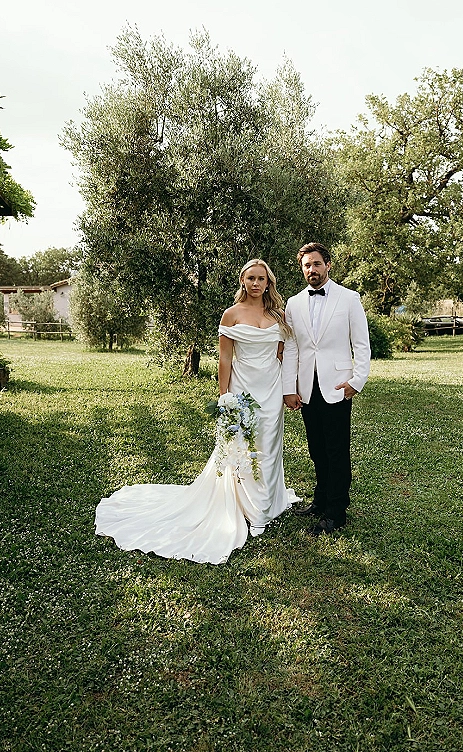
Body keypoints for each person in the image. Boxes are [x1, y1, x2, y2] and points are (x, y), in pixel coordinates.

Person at [95, 259, 300, 565]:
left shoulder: (279, 316)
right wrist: (224, 397)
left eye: (262, 279)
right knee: (243, 446)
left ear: (269, 283)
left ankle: (268, 503)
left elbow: (283, 355)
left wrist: (287, 389)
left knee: (269, 446)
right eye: (251, 278)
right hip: (242, 390)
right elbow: (225, 360)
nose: (257, 284)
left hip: (270, 391)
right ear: (242, 282)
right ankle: (251, 509)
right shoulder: (231, 315)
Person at [282, 242, 371, 535]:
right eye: (307, 265)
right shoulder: (293, 303)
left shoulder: (349, 298)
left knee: (336, 451)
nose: (312, 270)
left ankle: (336, 511)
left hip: (337, 387)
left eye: (317, 264)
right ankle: (320, 500)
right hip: (307, 388)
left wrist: (356, 381)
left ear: (328, 265)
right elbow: (293, 348)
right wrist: (289, 387)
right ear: (302, 269)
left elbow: (361, 344)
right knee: (316, 449)